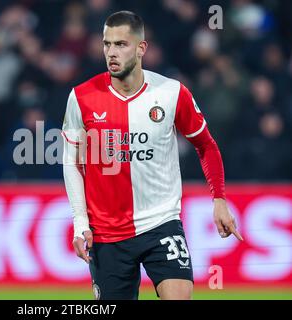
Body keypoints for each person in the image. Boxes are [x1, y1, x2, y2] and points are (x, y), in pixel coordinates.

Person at [62, 11, 243, 300]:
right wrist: (80, 222)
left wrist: (219, 199)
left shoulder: (171, 93)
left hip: (162, 223)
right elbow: (71, 161)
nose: (111, 52)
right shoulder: (81, 97)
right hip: (108, 233)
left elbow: (206, 146)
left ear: (141, 48)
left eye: (121, 44)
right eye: (107, 44)